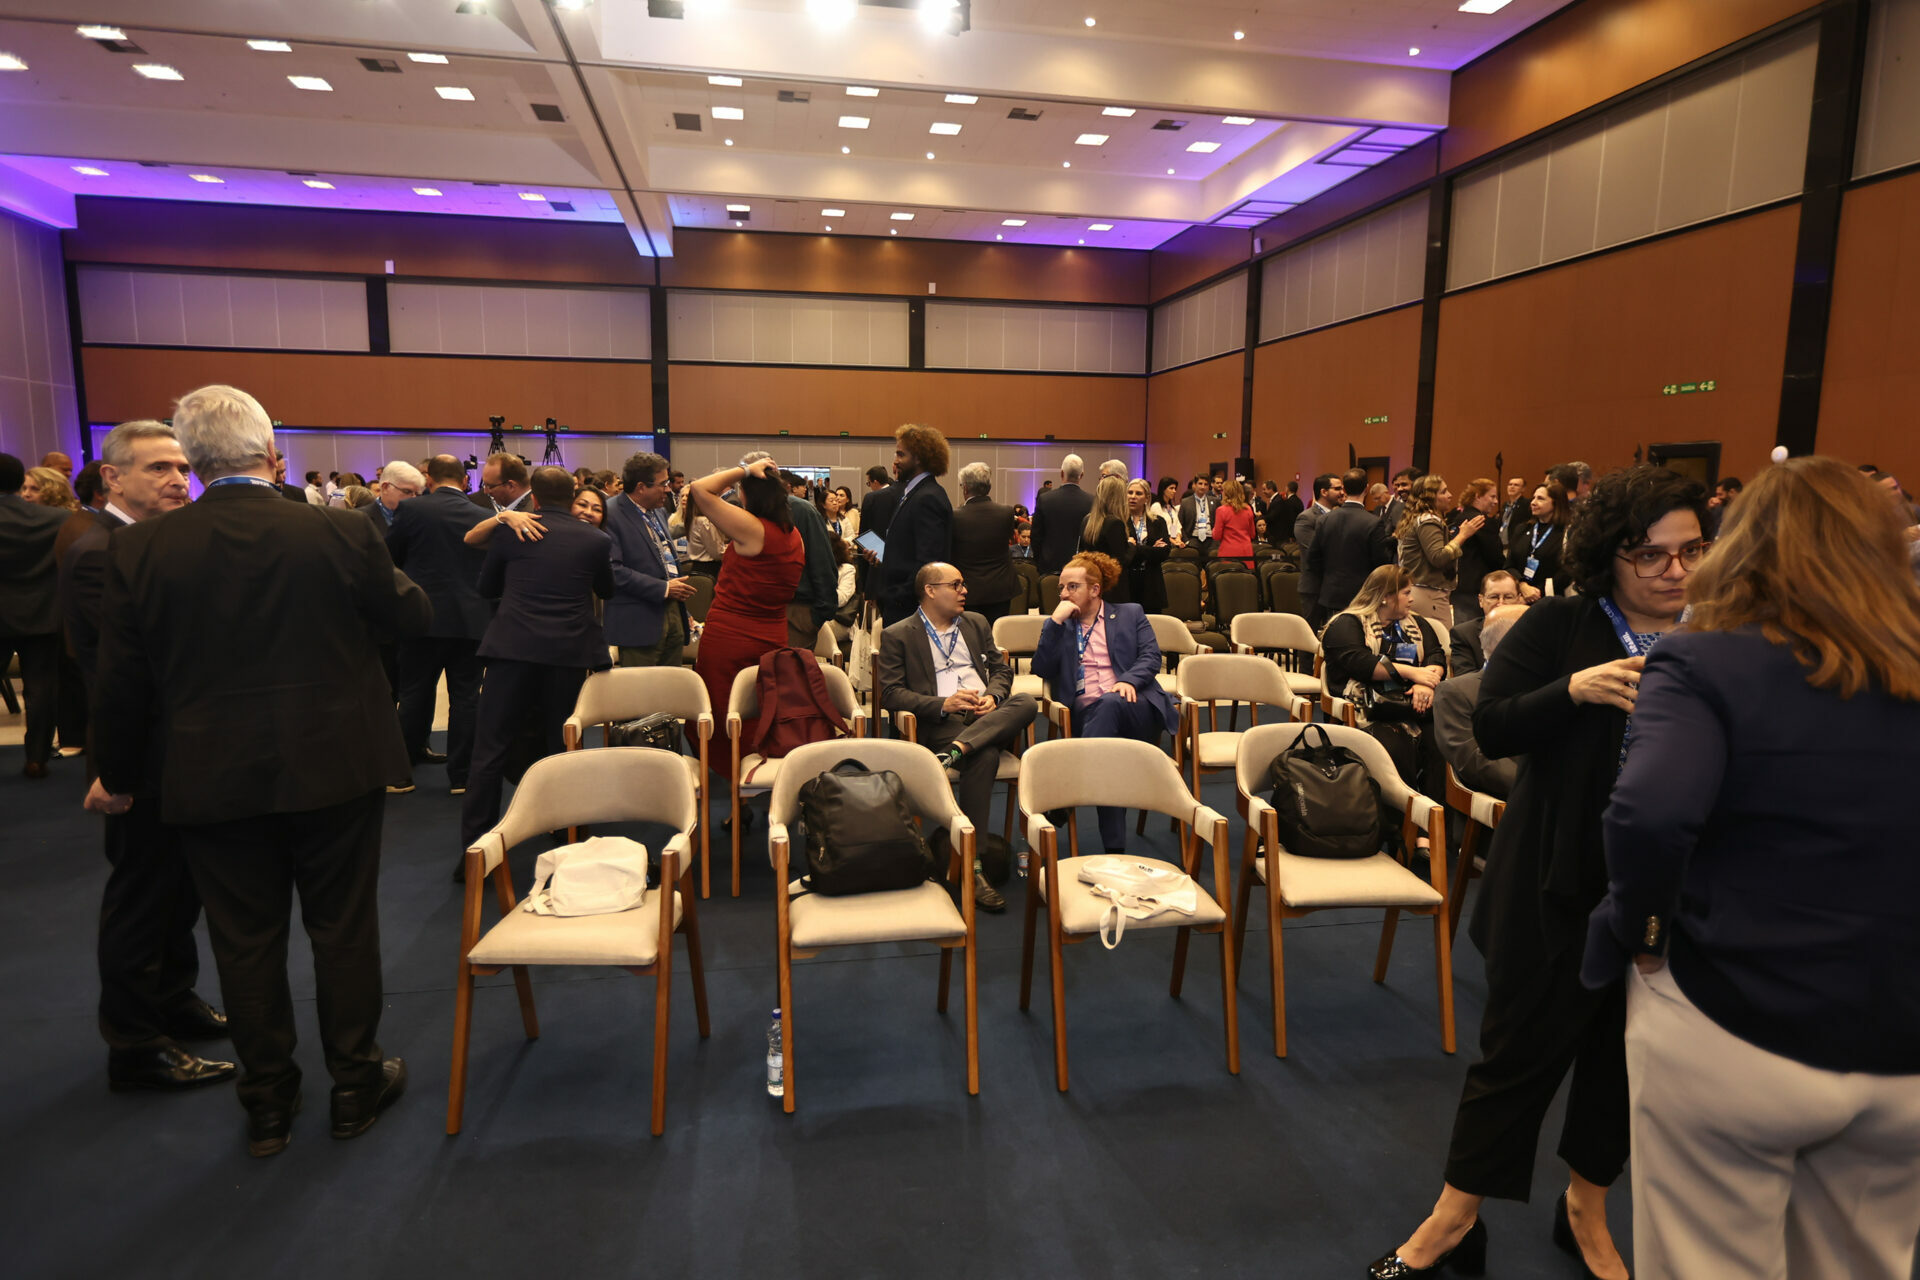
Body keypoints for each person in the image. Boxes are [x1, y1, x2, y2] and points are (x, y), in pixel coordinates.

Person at [1369, 465, 1709, 1280]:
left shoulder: (1715, 639)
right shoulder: (1560, 624)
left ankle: (1586, 1210)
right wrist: (1573, 691)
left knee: (1622, 1061)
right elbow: (1488, 723)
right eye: (1650, 554)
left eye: (1691, 551)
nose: (1674, 571)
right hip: (1556, 874)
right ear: (1609, 553)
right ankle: (1454, 1221)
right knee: (1515, 1056)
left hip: (1665, 887)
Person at [1585, 457, 1920, 1280]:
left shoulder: (1706, 660)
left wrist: (1643, 932)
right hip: (1901, 1042)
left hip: (1737, 1014)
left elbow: (1649, 813)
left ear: (1742, 548)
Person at [87, 384, 431, 1158]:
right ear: (272, 454)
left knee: (243, 940)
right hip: (335, 761)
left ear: (195, 460)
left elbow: (120, 683)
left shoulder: (142, 548)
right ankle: (355, 1083)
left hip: (209, 772)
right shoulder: (340, 530)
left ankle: (268, 1101)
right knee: (343, 929)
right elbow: (411, 617)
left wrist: (120, 774)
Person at [55, 420, 235, 1095]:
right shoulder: (102, 552)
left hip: (178, 754)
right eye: (159, 467)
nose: (177, 480)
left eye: (182, 468)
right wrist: (117, 771)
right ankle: (134, 1043)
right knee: (141, 901)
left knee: (178, 894)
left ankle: (172, 1000)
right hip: (139, 759)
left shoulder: (148, 542)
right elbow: (120, 678)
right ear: (113, 477)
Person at [459, 466, 614, 857]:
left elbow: (486, 588)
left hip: (511, 649)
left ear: (535, 497)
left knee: (489, 749)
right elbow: (606, 589)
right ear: (573, 495)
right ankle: (567, 831)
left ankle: (475, 849)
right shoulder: (596, 539)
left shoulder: (513, 532)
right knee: (562, 745)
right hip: (567, 654)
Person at [877, 561, 1039, 912]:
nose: (965, 591)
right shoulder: (898, 634)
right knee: (985, 755)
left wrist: (993, 696)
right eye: (956, 585)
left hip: (988, 715)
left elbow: (1000, 670)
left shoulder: (976, 622)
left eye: (963, 584)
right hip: (943, 722)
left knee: (1026, 702)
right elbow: (890, 694)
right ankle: (974, 865)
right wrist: (943, 703)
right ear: (930, 590)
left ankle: (957, 751)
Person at [1030, 552, 1179, 855]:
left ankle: (1069, 790)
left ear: (1095, 589)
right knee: (1108, 759)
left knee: (1110, 703)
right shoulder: (1061, 627)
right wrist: (1053, 623)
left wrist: (1129, 680)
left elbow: (1151, 656)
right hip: (1088, 717)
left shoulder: (1130, 613)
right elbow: (1042, 668)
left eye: (1072, 587)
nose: (1063, 594)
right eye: (1061, 588)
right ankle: (1115, 851)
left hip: (1136, 707)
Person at [386, 454, 492, 795]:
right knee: (466, 698)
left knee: (413, 693)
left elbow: (391, 557)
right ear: (465, 481)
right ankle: (461, 777)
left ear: (428, 479)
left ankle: (401, 774)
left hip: (422, 617)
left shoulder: (411, 509)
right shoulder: (484, 515)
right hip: (470, 619)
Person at [688, 457, 807, 756]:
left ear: (747, 495)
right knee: (763, 706)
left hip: (731, 636)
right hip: (773, 634)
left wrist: (744, 469)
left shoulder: (753, 529)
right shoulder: (794, 535)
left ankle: (728, 770)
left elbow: (699, 490)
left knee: (723, 708)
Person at [1320, 564, 1447, 842]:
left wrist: (1425, 683)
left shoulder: (1417, 624)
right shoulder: (1347, 624)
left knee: (1441, 745)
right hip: (1369, 706)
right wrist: (1412, 673)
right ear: (1386, 596)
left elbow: (1436, 656)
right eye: (1406, 593)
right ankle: (1401, 831)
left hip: (1415, 704)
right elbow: (1361, 663)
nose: (1412, 599)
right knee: (1396, 747)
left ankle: (1428, 829)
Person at [576, 451, 692, 669]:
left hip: (672, 613)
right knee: (641, 688)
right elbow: (613, 570)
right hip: (638, 621)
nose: (668, 489)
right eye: (663, 484)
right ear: (641, 487)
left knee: (672, 685)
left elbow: (664, 558)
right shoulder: (611, 514)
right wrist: (664, 588)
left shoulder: (657, 512)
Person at [0, 451, 69, 779]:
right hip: (44, 614)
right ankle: (37, 758)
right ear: (19, 482)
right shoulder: (57, 519)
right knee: (41, 691)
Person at [1432, 604, 1523, 800]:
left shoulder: (1553, 684)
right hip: (1508, 803)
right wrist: (1543, 786)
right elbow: (1475, 763)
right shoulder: (1456, 693)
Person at [872, 424, 955, 627]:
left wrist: (897, 597)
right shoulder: (914, 493)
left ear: (919, 458)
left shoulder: (927, 497)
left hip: (909, 610)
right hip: (902, 606)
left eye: (901, 454)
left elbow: (928, 562)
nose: (895, 461)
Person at [1306, 467, 1392, 630]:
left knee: (1334, 638)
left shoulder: (1325, 520)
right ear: (1366, 488)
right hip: (1363, 596)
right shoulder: (1373, 522)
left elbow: (1313, 559)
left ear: (1344, 489)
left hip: (1331, 594)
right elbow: (1381, 563)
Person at [1396, 475, 1483, 627]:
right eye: (1443, 492)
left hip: (1421, 590)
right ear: (1430, 498)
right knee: (1442, 640)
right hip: (1428, 593)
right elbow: (1438, 557)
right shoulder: (1429, 521)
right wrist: (1462, 536)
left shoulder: (1419, 518)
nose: (1450, 495)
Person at [776, 466, 840, 648]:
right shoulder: (747, 514)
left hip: (796, 611)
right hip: (759, 613)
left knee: (791, 665)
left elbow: (822, 563)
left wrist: (818, 616)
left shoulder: (801, 510)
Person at [949, 462, 1019, 625]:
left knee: (969, 635)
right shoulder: (1006, 512)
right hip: (1000, 588)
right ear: (989, 487)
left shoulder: (955, 516)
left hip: (968, 590)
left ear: (965, 488)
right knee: (996, 634)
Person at [1448, 479, 1507, 624]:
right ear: (1478, 496)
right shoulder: (1481, 521)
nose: (1496, 502)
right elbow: (1495, 557)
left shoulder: (1458, 518)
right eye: (1492, 496)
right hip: (1475, 590)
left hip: (1457, 587)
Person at [1448, 570, 1523, 676]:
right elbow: (1465, 678)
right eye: (1494, 597)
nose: (1501, 603)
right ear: (1481, 600)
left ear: (1519, 599)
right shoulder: (1464, 634)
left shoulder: (1531, 631)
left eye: (1508, 597)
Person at [1506, 480, 1572, 598]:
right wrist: (1522, 586)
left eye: (1540, 499)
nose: (1533, 502)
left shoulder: (1567, 532)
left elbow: (1567, 572)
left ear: (1556, 503)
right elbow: (1509, 565)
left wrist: (1537, 593)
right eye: (1533, 498)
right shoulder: (1522, 529)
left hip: (1550, 598)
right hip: (1519, 595)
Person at [1032, 453, 1093, 575]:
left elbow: (1036, 537)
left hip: (1049, 567)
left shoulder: (1045, 499)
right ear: (1082, 475)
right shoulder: (1092, 501)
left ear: (1061, 473)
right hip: (1080, 567)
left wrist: (1040, 562)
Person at [1077, 474, 1133, 602]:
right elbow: (1121, 561)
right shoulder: (1115, 523)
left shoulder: (1087, 520)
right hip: (1113, 589)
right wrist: (1131, 545)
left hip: (1092, 584)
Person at [1123, 477, 1171, 613]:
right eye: (1130, 492)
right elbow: (1122, 552)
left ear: (1147, 498)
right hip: (1128, 582)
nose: (1133, 497)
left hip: (1151, 583)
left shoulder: (1157, 522)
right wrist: (1151, 549)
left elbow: (1164, 552)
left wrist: (1134, 547)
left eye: (1138, 493)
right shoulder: (1120, 521)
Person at [364, 461, 423, 531]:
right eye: (407, 491)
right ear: (385, 487)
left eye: (417, 493)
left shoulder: (420, 517)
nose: (414, 497)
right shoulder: (361, 518)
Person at [1213, 478, 1257, 566]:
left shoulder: (1221, 510)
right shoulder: (1248, 509)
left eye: (1223, 491)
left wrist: (1213, 530)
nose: (1222, 493)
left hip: (1228, 552)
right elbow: (1252, 534)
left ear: (1227, 493)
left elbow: (1216, 536)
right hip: (1246, 552)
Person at [1177, 472, 1219, 559]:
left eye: (1205, 484)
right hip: (1193, 539)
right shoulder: (1185, 502)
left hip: (1211, 539)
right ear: (1194, 485)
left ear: (1208, 487)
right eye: (1200, 483)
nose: (1203, 487)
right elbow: (1179, 524)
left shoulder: (1215, 501)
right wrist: (1186, 540)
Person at [1379, 466, 1423, 534]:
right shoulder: (1397, 508)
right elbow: (1387, 535)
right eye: (1398, 485)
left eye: (1404, 484)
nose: (1399, 489)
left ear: (1417, 485)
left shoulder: (1429, 509)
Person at [1149, 476, 1186, 546]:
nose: (1174, 491)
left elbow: (1176, 525)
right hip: (1163, 542)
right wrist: (1174, 542)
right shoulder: (1156, 507)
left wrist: (1178, 539)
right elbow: (1159, 531)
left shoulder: (1171, 508)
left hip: (1173, 540)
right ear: (1163, 489)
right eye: (1171, 488)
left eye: (1175, 488)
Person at [1498, 476, 1529, 547]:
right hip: (1501, 544)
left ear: (1523, 489)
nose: (1512, 487)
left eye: (1516, 485)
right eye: (1510, 484)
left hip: (1515, 544)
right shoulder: (1505, 505)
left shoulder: (1526, 504)